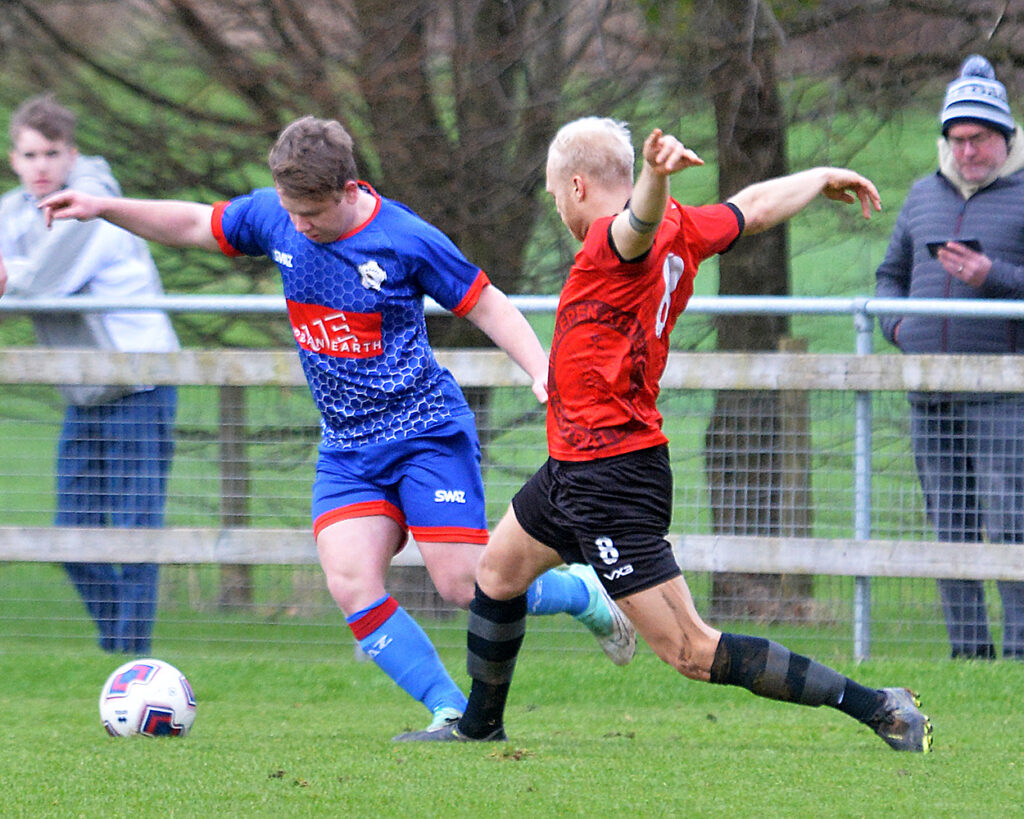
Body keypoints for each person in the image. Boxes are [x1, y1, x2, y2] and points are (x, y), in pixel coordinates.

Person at [40, 115, 635, 733]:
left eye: (313, 214)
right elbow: (193, 222)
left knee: (465, 586)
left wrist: (542, 371)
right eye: (292, 212)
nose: (299, 226)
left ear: (350, 191)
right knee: (351, 582)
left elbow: (483, 301)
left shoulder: (405, 238)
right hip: (349, 448)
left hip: (425, 433)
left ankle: (582, 593)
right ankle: (447, 710)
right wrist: (102, 206)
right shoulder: (276, 214)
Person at [394, 116, 932, 752]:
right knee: (498, 571)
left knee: (692, 650)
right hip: (574, 465)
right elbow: (751, 208)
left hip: (612, 477)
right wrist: (815, 178)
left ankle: (882, 708)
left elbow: (634, 228)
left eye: (552, 193)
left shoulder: (613, 242)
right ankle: (480, 725)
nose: (554, 205)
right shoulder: (684, 224)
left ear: (574, 185)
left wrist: (652, 176)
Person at [0, 94, 179, 655]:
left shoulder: (94, 207)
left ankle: (130, 663)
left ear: (72, 155)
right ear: (13, 159)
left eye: (52, 153)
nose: (42, 166)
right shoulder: (13, 211)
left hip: (138, 385)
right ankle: (119, 653)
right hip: (86, 392)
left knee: (131, 535)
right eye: (30, 154)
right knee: (71, 536)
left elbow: (35, 284)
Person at [874, 55, 1024, 661]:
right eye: (956, 139)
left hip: (1004, 396)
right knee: (951, 530)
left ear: (1004, 138)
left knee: (1012, 524)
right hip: (929, 393)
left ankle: (1018, 654)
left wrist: (994, 276)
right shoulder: (920, 198)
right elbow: (888, 275)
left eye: (978, 138)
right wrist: (899, 324)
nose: (966, 151)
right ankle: (969, 654)